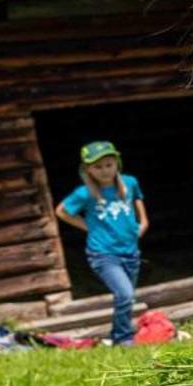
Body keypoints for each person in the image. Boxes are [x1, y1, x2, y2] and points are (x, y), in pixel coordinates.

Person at [54, 141, 148, 346]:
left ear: (117, 163)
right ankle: (124, 337)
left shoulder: (129, 183)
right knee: (125, 294)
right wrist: (89, 226)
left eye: (109, 165)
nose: (105, 171)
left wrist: (144, 222)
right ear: (88, 170)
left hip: (131, 251)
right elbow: (62, 211)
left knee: (126, 298)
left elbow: (138, 198)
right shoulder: (84, 193)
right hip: (104, 254)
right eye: (98, 167)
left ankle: (118, 334)